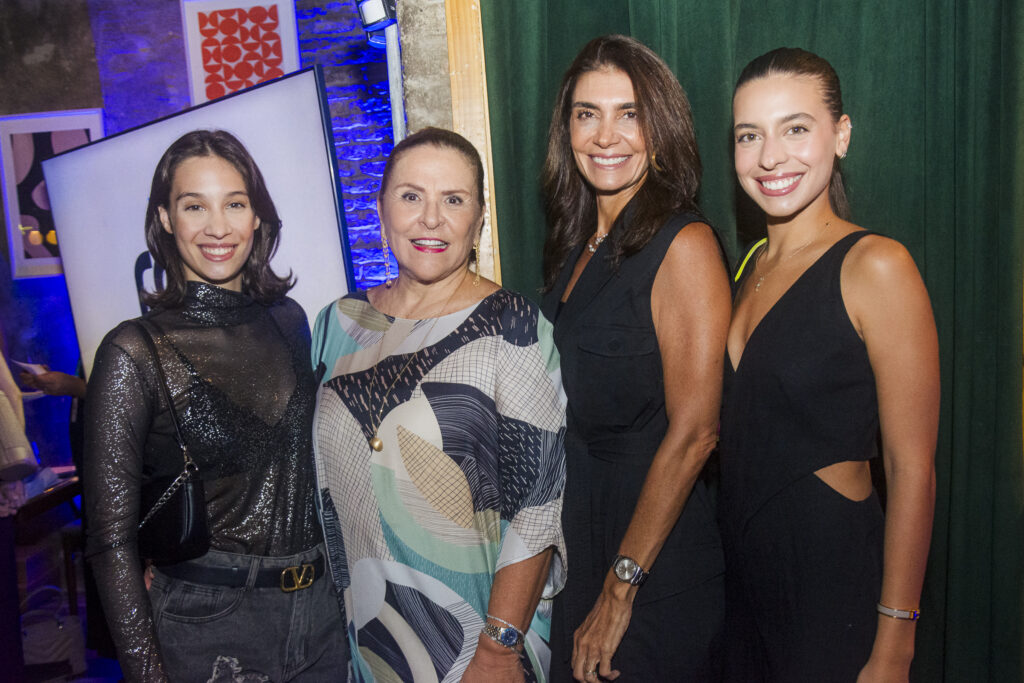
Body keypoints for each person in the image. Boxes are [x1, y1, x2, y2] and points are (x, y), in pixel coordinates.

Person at [84, 129, 347, 682]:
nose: (218, 227)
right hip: (210, 624)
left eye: (234, 203)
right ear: (165, 218)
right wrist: (147, 673)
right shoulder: (135, 351)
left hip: (322, 615)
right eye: (194, 206)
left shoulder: (289, 320)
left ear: (257, 216)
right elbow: (109, 542)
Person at [313, 127, 566, 682]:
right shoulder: (336, 324)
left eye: (453, 200)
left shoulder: (513, 326)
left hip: (473, 643)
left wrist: (498, 650)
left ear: (480, 221)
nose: (431, 219)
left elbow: (538, 507)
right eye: (411, 196)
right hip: (361, 635)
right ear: (381, 211)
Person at [719, 47, 939, 682]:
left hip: (830, 588)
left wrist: (894, 644)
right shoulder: (748, 267)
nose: (770, 157)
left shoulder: (877, 265)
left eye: (795, 128)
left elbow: (911, 468)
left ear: (840, 135)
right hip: (743, 591)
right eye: (749, 136)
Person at [539, 35, 731, 682]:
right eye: (586, 114)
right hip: (582, 549)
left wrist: (621, 588)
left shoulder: (684, 244)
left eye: (629, 114)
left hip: (652, 568)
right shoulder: (577, 247)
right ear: (566, 130)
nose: (605, 135)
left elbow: (697, 432)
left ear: (661, 128)